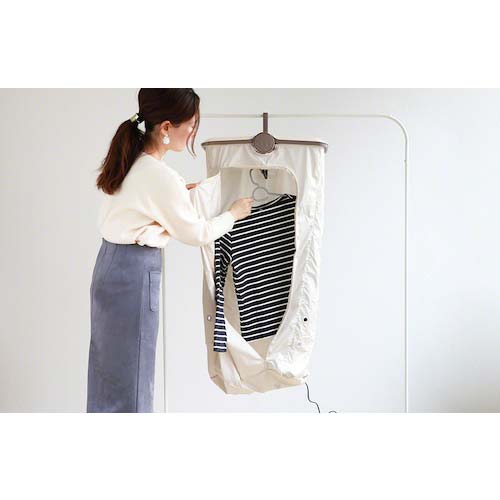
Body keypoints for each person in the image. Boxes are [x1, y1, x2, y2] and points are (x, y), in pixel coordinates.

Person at [87, 88, 253, 412]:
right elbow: (197, 233)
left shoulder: (131, 160)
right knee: (134, 374)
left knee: (108, 372)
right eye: (191, 125)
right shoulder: (159, 175)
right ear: (166, 127)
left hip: (109, 266)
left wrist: (179, 196)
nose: (193, 132)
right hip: (133, 273)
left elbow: (140, 207)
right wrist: (233, 214)